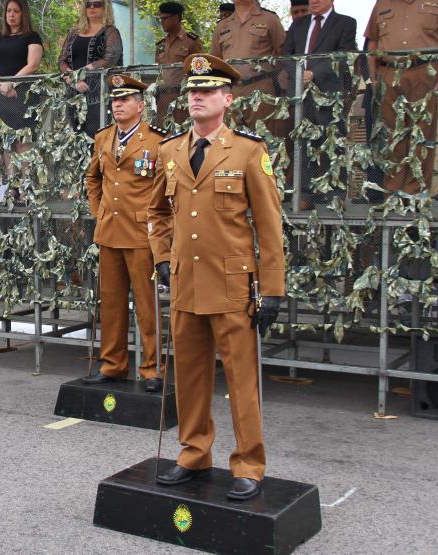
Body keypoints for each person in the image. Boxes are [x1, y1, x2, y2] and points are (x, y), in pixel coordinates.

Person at [148, 54, 285, 500]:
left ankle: (249, 463)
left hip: (232, 287)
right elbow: (156, 213)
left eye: (206, 91)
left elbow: (269, 226)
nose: (197, 97)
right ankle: (193, 453)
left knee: (242, 381)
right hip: (186, 283)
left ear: (228, 99)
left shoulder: (248, 151)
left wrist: (273, 290)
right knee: (188, 376)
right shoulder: (170, 151)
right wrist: (162, 256)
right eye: (192, 91)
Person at [81, 74, 168, 392]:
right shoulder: (103, 138)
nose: (117, 104)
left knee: (147, 306)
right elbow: (92, 178)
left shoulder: (158, 141)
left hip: (142, 234)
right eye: (115, 100)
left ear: (140, 106)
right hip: (109, 232)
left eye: (125, 100)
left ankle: (151, 369)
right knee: (112, 303)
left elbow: (167, 190)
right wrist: (98, 211)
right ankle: (113, 364)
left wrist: (158, 226)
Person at [365, 0, 438, 194]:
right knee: (392, 136)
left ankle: (414, 193)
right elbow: (372, 41)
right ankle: (392, 192)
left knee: (422, 135)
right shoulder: (382, 3)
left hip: (424, 70)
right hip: (389, 72)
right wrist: (373, 77)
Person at [281, 0, 357, 204]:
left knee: (331, 140)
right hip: (300, 92)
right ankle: (304, 192)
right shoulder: (298, 24)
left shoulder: (345, 23)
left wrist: (314, 73)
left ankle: (335, 192)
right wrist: (298, 75)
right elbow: (285, 54)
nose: (313, 1)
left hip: (329, 92)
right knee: (302, 142)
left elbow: (343, 55)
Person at [209, 0, 285, 132]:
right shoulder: (222, 25)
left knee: (264, 141)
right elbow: (215, 62)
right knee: (230, 142)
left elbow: (282, 55)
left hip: (261, 92)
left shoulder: (270, 19)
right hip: (231, 92)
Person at [58, 0, 124, 136]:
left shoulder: (110, 31)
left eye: (97, 4)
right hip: (73, 92)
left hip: (99, 95)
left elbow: (111, 58)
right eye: (88, 4)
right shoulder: (74, 32)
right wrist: (74, 79)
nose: (92, 7)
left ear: (106, 7)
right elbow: (62, 60)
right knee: (75, 139)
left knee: (97, 138)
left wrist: (86, 70)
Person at [0, 0, 43, 133]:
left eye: (16, 11)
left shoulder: (32, 36)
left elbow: (33, 65)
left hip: (24, 94)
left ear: (23, 14)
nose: (11, 14)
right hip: (1, 94)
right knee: (4, 141)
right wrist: (2, 84)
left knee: (24, 139)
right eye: (8, 11)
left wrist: (12, 82)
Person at [154, 2, 204, 126]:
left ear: (176, 18)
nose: (162, 22)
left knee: (182, 134)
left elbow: (201, 71)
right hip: (162, 98)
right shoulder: (161, 45)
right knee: (162, 134)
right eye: (160, 19)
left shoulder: (191, 41)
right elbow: (157, 72)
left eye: (165, 18)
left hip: (182, 98)